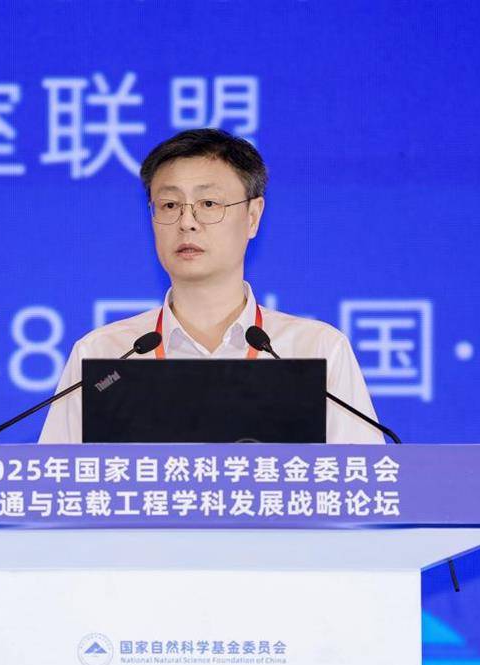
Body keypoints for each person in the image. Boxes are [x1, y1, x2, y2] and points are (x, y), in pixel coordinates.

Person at [38, 128, 385, 445]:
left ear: (253, 217)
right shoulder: (105, 355)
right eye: (170, 205)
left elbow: (363, 483)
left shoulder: (315, 351)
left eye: (208, 204)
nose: (187, 222)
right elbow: (54, 485)